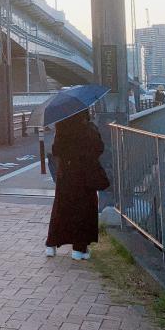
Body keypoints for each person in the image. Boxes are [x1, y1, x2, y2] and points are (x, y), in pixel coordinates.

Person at [45, 109, 107, 260]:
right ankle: (79, 249)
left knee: (61, 209)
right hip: (84, 176)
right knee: (83, 211)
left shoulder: (61, 127)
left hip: (65, 175)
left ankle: (51, 246)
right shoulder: (88, 129)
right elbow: (99, 148)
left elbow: (56, 150)